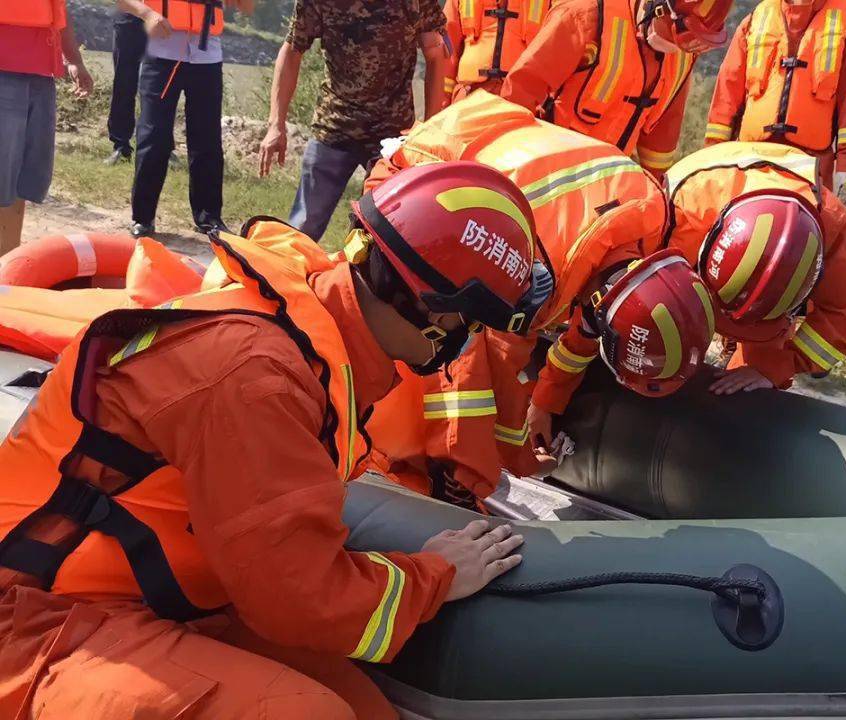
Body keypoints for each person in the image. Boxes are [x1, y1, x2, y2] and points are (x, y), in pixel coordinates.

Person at [0, 161, 551, 719]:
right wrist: (433, 575)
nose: (469, 341)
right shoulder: (257, 374)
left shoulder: (308, 331)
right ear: (431, 309)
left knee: (364, 708)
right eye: (473, 323)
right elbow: (299, 596)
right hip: (35, 618)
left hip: (151, 592)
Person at [362, 92, 715, 506]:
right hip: (410, 190)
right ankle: (398, 461)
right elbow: (491, 374)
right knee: (438, 354)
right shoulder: (536, 276)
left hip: (462, 145)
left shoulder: (643, 219)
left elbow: (587, 329)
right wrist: (513, 460)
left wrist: (546, 402)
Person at [665, 140, 846, 394]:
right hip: (699, 226)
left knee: (750, 388)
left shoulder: (830, 229)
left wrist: (777, 367)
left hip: (769, 318)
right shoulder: (684, 208)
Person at [258, 0, 450, 241]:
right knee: (303, 227)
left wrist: (430, 130)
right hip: (335, 126)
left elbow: (435, 54)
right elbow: (292, 49)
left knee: (388, 236)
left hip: (391, 138)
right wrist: (276, 124)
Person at [500, 0, 731, 178]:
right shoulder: (585, 17)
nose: (678, 45)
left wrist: (657, 189)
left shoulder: (682, 58)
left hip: (611, 183)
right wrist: (510, 164)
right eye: (677, 32)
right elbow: (522, 89)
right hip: (548, 170)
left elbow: (662, 133)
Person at [704, 0, 846, 205]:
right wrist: (713, 156)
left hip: (811, 171)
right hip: (750, 165)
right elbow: (727, 92)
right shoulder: (754, 20)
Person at [118, 0, 251, 239]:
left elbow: (246, 7)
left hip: (207, 57)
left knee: (207, 140)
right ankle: (143, 218)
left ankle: (209, 218)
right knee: (154, 137)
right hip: (161, 54)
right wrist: (147, 14)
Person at [0, 0, 93, 257]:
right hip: (4, 69)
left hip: (41, 74)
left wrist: (74, 59)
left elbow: (58, 11)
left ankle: (8, 262)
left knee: (21, 179)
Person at [442, 0, 551, 105]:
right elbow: (446, 52)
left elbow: (555, 52)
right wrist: (444, 100)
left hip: (522, 101)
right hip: (469, 96)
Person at [104, 8, 147, 165]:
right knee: (123, 84)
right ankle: (121, 145)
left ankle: (163, 147)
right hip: (128, 20)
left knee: (159, 89)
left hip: (162, 22)